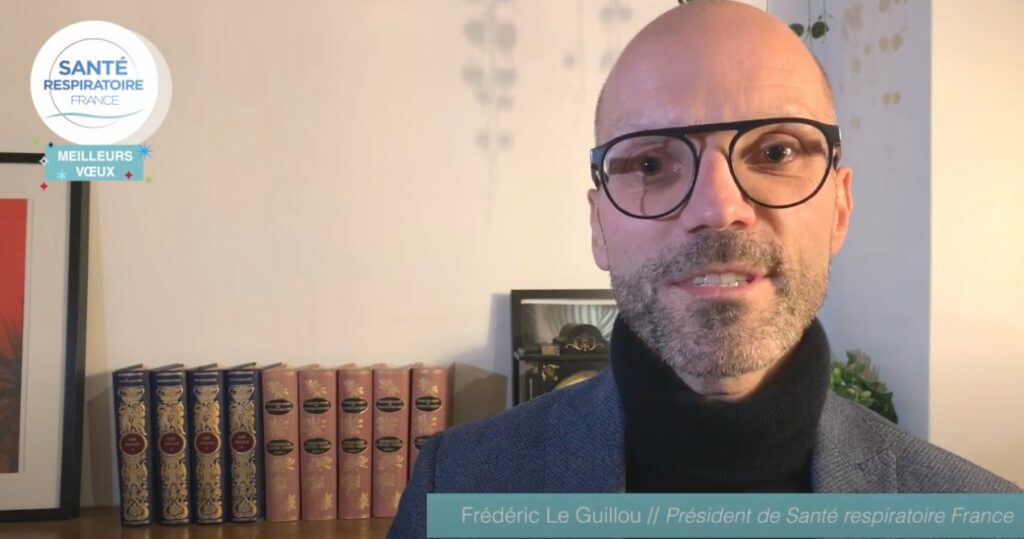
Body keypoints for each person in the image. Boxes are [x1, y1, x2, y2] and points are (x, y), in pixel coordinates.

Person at [389, 1, 1021, 536]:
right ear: (598, 226)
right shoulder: (457, 491)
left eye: (775, 152)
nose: (718, 208)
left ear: (839, 208)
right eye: (650, 164)